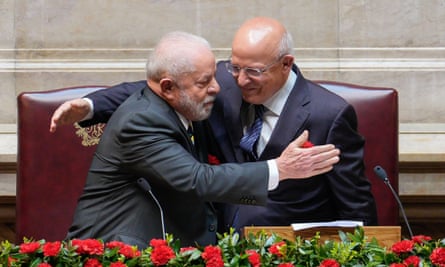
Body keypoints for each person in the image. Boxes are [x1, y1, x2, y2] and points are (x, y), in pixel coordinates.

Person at [51, 17, 377, 231]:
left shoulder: (328, 114)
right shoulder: (220, 81)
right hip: (208, 234)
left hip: (283, 244)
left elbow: (354, 201)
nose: (238, 80)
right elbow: (154, 85)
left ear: (285, 64)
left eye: (253, 71)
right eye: (235, 67)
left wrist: (367, 249)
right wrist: (90, 106)